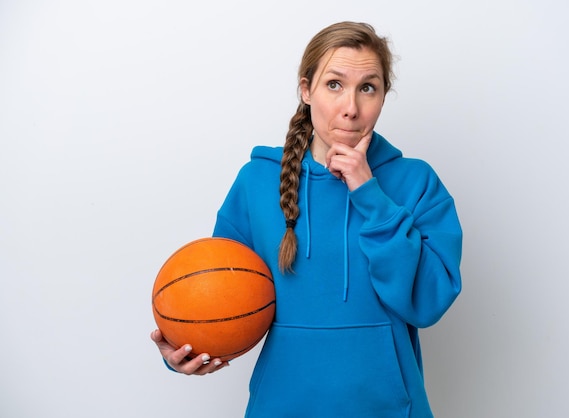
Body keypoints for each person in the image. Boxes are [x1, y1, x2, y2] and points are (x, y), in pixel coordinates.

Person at [151, 21, 462, 418]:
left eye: (368, 87)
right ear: (305, 90)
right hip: (281, 407)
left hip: (389, 408)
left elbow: (428, 302)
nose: (350, 107)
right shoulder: (256, 182)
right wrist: (182, 351)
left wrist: (370, 194)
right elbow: (214, 296)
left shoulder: (416, 182)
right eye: (334, 84)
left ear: (383, 96)